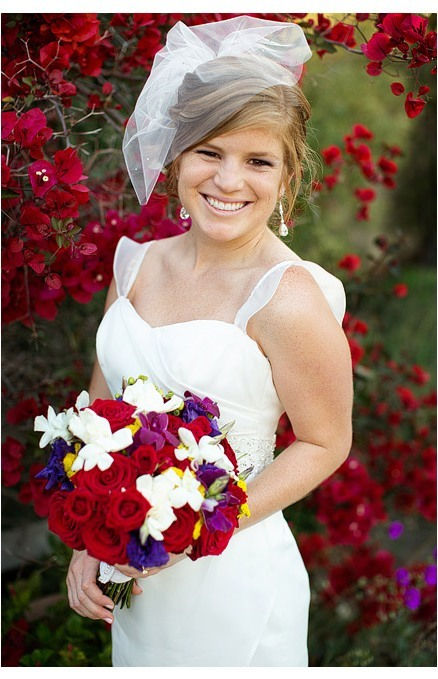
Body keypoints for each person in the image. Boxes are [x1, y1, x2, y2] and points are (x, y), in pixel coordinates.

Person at [66, 16, 353, 667]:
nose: (228, 180)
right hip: (137, 581)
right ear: (176, 156)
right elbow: (102, 408)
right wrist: (89, 535)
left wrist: (199, 521)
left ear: (287, 179)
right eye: (209, 152)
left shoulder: (288, 297)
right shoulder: (134, 265)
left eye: (258, 161)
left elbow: (325, 441)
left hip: (234, 583)